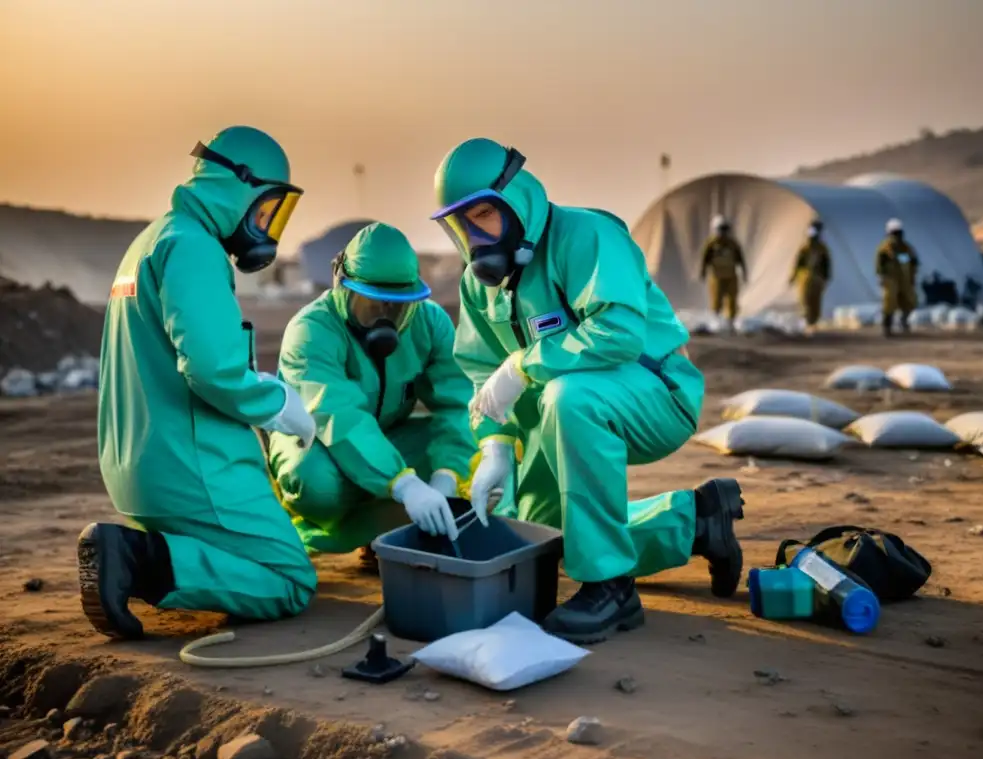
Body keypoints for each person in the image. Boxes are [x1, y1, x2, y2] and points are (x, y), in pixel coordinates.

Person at [430, 138, 745, 644]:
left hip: (654, 393)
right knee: (541, 539)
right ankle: (694, 520)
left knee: (569, 397)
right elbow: (479, 372)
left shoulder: (588, 234)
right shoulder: (478, 284)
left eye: (483, 214)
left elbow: (617, 332)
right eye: (458, 224)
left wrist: (523, 365)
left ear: (517, 200)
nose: (472, 235)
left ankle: (611, 587)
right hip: (553, 413)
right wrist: (493, 446)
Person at [79, 126, 318, 640]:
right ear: (240, 187)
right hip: (192, 467)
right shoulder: (193, 247)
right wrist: (275, 403)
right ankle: (137, 560)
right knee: (290, 579)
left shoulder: (150, 241)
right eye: (266, 209)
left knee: (252, 551)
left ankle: (148, 552)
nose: (266, 226)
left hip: (135, 466)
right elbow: (211, 370)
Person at [267, 222, 478, 557]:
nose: (387, 318)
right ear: (342, 287)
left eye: (399, 306)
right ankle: (310, 531)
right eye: (373, 304)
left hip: (389, 436)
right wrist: (404, 484)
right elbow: (340, 417)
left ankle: (385, 536)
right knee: (313, 484)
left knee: (477, 455)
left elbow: (458, 404)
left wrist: (446, 477)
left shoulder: (431, 323)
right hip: (316, 440)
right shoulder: (311, 332)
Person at [700, 215, 747, 330]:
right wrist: (703, 271)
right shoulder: (711, 244)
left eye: (725, 229)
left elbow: (740, 258)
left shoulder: (733, 244)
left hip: (731, 275)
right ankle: (716, 320)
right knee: (716, 298)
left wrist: (744, 272)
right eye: (721, 229)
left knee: (732, 299)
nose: (723, 232)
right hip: (716, 276)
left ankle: (731, 322)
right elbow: (705, 259)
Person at [875, 218, 919, 336]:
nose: (896, 236)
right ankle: (887, 327)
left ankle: (903, 321)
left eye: (898, 233)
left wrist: (912, 276)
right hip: (890, 279)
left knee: (910, 301)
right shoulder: (885, 248)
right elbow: (880, 265)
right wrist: (881, 277)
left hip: (904, 278)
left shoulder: (906, 248)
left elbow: (914, 262)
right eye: (894, 233)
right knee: (889, 302)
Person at [789, 219, 831, 329]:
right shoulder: (809, 249)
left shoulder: (819, 249)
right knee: (808, 302)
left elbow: (826, 265)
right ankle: (809, 323)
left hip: (812, 279)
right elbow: (799, 264)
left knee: (812, 302)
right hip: (809, 278)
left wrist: (793, 277)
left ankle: (811, 323)